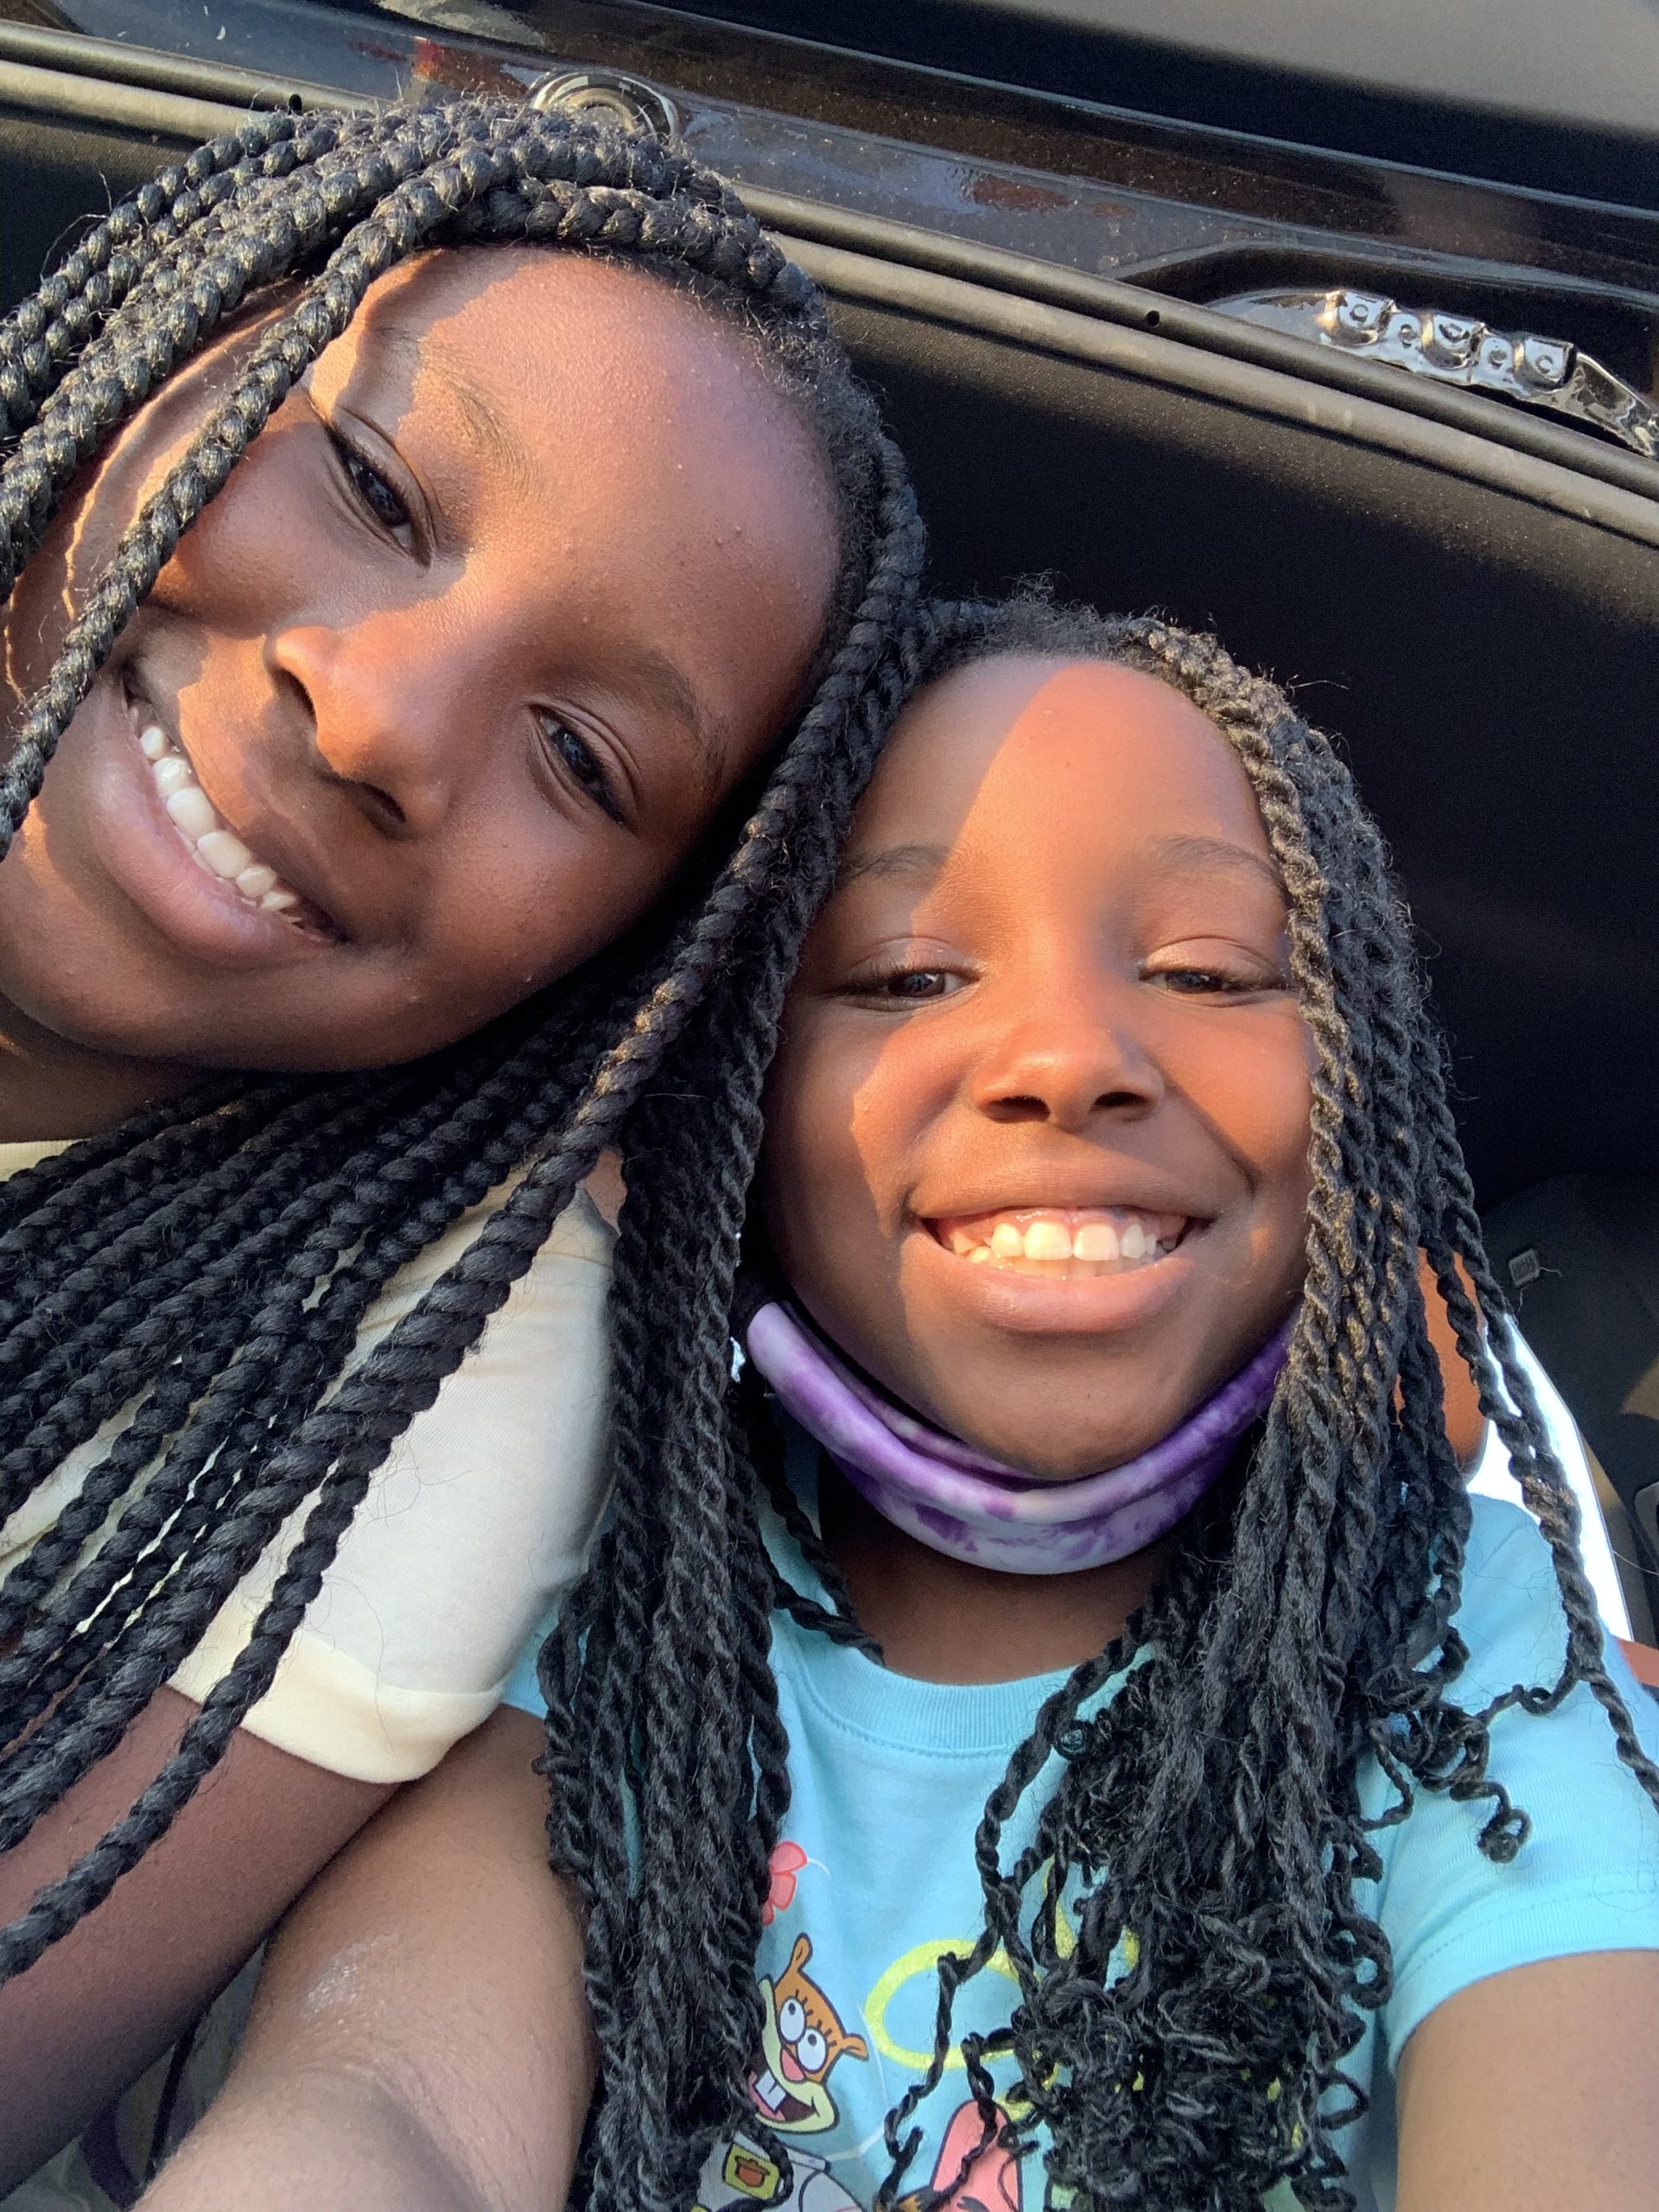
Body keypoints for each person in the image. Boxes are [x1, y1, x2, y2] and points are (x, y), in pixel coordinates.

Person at [141, 594, 1659, 2212]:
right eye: (907, 973)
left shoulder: (1480, 1653)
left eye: (1206, 969)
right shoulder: (603, 1594)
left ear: (1359, 1093)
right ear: (729, 1105)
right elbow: (389, 2104)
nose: (1065, 1058)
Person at [0, 95, 923, 2188]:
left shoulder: (440, 1366)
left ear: (626, 956)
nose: (382, 717)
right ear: (160, 345)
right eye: (370, 484)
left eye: (581, 757)